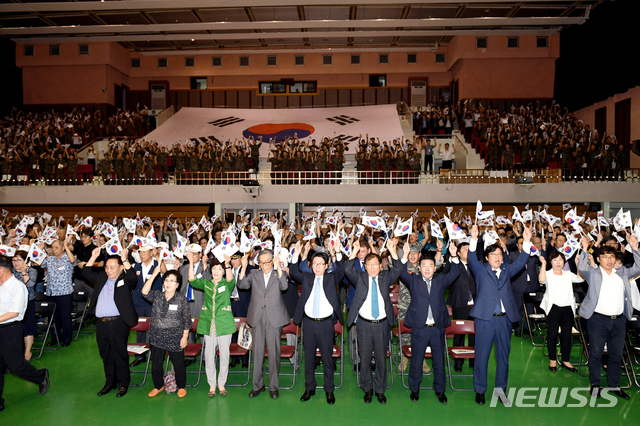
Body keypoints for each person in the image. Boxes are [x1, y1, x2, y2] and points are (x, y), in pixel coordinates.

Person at [468, 224, 532, 405]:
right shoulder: (480, 270)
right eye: (493, 255)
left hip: (504, 320)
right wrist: (473, 238)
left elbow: (520, 262)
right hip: (485, 320)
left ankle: (500, 391)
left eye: (499, 254)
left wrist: (526, 242)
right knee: (481, 356)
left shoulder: (506, 270)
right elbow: (472, 258)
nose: (497, 257)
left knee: (503, 357)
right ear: (487, 258)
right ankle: (480, 390)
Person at [578, 234, 640, 400]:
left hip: (619, 320)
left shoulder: (623, 273)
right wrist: (585, 249)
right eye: (605, 257)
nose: (609, 260)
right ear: (598, 259)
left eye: (612, 256)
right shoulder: (594, 274)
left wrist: (635, 249)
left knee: (616, 354)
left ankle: (614, 386)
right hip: (598, 320)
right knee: (596, 353)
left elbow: (638, 267)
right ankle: (596, 385)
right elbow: (582, 268)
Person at [398, 241, 459, 404]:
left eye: (430, 265)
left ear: (435, 268)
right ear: (419, 268)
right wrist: (404, 256)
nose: (426, 268)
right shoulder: (413, 281)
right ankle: (415, 389)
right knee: (416, 360)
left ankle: (440, 390)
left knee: (439, 361)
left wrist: (453, 255)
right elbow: (401, 271)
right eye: (423, 265)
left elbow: (455, 272)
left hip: (437, 328)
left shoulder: (441, 280)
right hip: (419, 328)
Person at [346, 239, 402, 404]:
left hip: (382, 325)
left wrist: (392, 251)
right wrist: (354, 250)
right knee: (364, 359)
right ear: (365, 266)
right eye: (369, 264)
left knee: (380, 359)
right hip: (364, 324)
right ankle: (367, 388)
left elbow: (398, 268)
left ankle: (380, 389)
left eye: (375, 264)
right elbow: (347, 269)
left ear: (380, 266)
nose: (372, 267)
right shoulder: (360, 278)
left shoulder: (385, 278)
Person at [289, 242, 344, 405]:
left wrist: (337, 252)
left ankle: (329, 389)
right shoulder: (307, 277)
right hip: (308, 323)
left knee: (327, 358)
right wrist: (296, 255)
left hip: (326, 324)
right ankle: (309, 387)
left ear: (327, 266)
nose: (318, 267)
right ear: (311, 265)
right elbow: (292, 271)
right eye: (315, 264)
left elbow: (342, 270)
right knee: (309, 358)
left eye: (321, 264)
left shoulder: (331, 277)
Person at [83, 247, 138, 398]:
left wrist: (125, 259)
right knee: (105, 353)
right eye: (107, 267)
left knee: (119, 353)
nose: (109, 270)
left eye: (112, 267)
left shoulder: (124, 280)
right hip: (101, 323)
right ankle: (110, 382)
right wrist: (93, 257)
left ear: (120, 268)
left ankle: (123, 383)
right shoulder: (102, 277)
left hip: (118, 323)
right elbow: (86, 273)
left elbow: (134, 277)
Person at [0, 256, 50, 412]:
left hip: (10, 329)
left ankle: (41, 376)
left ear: (1, 270)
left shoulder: (17, 286)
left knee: (16, 366)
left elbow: (14, 312)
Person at [238, 249, 289, 399]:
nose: (265, 264)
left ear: (272, 261)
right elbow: (242, 285)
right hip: (257, 317)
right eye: (262, 262)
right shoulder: (254, 274)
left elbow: (284, 286)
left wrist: (279, 267)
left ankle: (274, 387)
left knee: (274, 354)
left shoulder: (279, 273)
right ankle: (258, 385)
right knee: (258, 353)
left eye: (268, 261)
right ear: (258, 263)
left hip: (274, 318)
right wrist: (243, 266)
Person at [188, 252, 236, 398]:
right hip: (208, 323)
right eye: (214, 268)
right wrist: (190, 261)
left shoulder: (227, 285)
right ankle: (212, 384)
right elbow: (191, 280)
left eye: (219, 269)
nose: (216, 271)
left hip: (224, 324)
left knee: (225, 355)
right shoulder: (206, 283)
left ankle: (221, 383)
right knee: (209, 355)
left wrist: (227, 265)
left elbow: (231, 280)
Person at [142, 267, 191, 398]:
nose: (168, 283)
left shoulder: (181, 300)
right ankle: (158, 386)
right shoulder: (157, 296)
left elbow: (186, 320)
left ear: (178, 284)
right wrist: (154, 275)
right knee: (156, 364)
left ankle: (181, 386)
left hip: (175, 337)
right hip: (156, 336)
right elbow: (144, 292)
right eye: (166, 280)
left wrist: (185, 337)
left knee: (179, 363)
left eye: (172, 281)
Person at [538, 252, 582, 372]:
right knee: (552, 335)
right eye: (555, 260)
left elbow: (580, 279)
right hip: (553, 308)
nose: (558, 263)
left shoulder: (568, 274)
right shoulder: (547, 273)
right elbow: (541, 280)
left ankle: (565, 360)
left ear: (565, 262)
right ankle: (553, 359)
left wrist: (578, 264)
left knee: (566, 336)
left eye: (561, 260)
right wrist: (543, 264)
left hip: (568, 308)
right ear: (551, 262)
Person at [443, 241, 476, 372]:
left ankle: (474, 361)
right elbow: (445, 273)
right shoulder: (454, 265)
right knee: (459, 335)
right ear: (459, 252)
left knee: (475, 334)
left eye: (469, 249)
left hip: (475, 305)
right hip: (460, 304)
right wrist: (451, 257)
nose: (468, 251)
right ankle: (458, 362)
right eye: (465, 249)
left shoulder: (475, 265)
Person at [130, 244, 162, 367]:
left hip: (152, 303)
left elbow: (164, 271)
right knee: (140, 330)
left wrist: (158, 256)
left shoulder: (157, 265)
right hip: (138, 303)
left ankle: (156, 355)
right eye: (140, 252)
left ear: (151, 252)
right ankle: (140, 356)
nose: (142, 254)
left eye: (144, 252)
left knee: (154, 330)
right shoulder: (136, 266)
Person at [41, 237, 76, 347]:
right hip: (51, 292)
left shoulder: (68, 258)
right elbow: (39, 264)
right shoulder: (49, 259)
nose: (54, 250)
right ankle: (55, 337)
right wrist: (38, 250)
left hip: (64, 293)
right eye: (52, 247)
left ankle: (67, 338)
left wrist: (66, 247)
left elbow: (73, 261)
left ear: (62, 248)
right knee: (53, 318)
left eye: (56, 247)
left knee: (65, 317)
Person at [11, 250, 38, 361]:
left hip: (27, 302)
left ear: (25, 261)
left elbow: (30, 284)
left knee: (28, 327)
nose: (15, 262)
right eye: (14, 260)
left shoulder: (32, 271)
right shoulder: (10, 271)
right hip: (13, 303)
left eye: (19, 260)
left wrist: (23, 272)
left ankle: (27, 352)